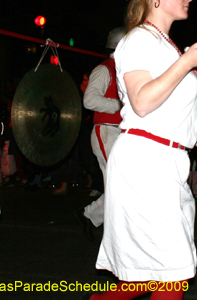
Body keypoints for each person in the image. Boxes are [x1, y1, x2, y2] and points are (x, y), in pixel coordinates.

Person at [92, 0, 197, 300]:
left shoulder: (167, 46)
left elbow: (172, 114)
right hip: (145, 163)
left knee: (153, 274)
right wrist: (187, 61)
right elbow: (142, 103)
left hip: (168, 162)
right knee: (173, 271)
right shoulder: (139, 40)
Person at [75, 27, 125, 241]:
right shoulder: (104, 70)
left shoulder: (126, 69)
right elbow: (89, 100)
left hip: (120, 133)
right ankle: (114, 236)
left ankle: (88, 215)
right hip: (106, 132)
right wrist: (121, 105)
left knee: (123, 186)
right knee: (119, 186)